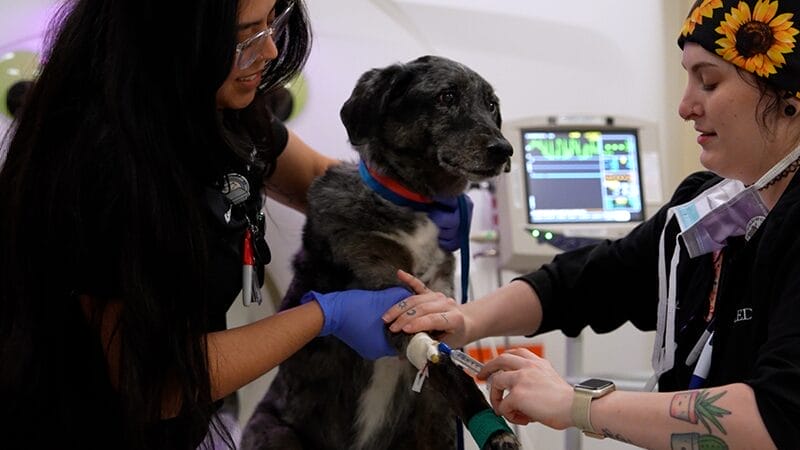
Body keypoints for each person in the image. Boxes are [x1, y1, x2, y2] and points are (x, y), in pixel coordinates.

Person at [0, 0, 478, 448]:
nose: (269, 50)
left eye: (274, 19)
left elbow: (317, 179)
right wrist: (323, 315)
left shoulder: (221, 110)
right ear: (172, 38)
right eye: (244, 36)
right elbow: (158, 382)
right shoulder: (100, 164)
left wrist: (409, 201)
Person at [385, 1, 800, 448]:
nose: (685, 106)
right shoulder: (708, 208)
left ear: (787, 94)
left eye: (709, 81)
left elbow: (777, 418)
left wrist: (574, 404)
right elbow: (585, 283)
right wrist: (465, 319)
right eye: (687, 78)